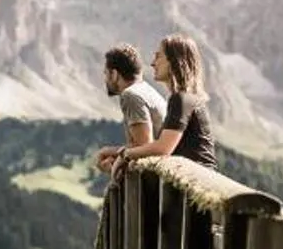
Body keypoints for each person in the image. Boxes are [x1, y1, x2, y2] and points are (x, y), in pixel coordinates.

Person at [113, 35, 218, 171]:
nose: (152, 63)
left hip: (196, 179)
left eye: (158, 56)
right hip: (196, 177)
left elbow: (163, 148)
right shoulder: (185, 98)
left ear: (174, 61)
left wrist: (125, 155)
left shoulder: (181, 99)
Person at [93, 44, 165, 174]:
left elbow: (144, 147)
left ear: (114, 74)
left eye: (106, 73)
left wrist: (109, 154)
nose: (105, 80)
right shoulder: (146, 90)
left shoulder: (130, 95)